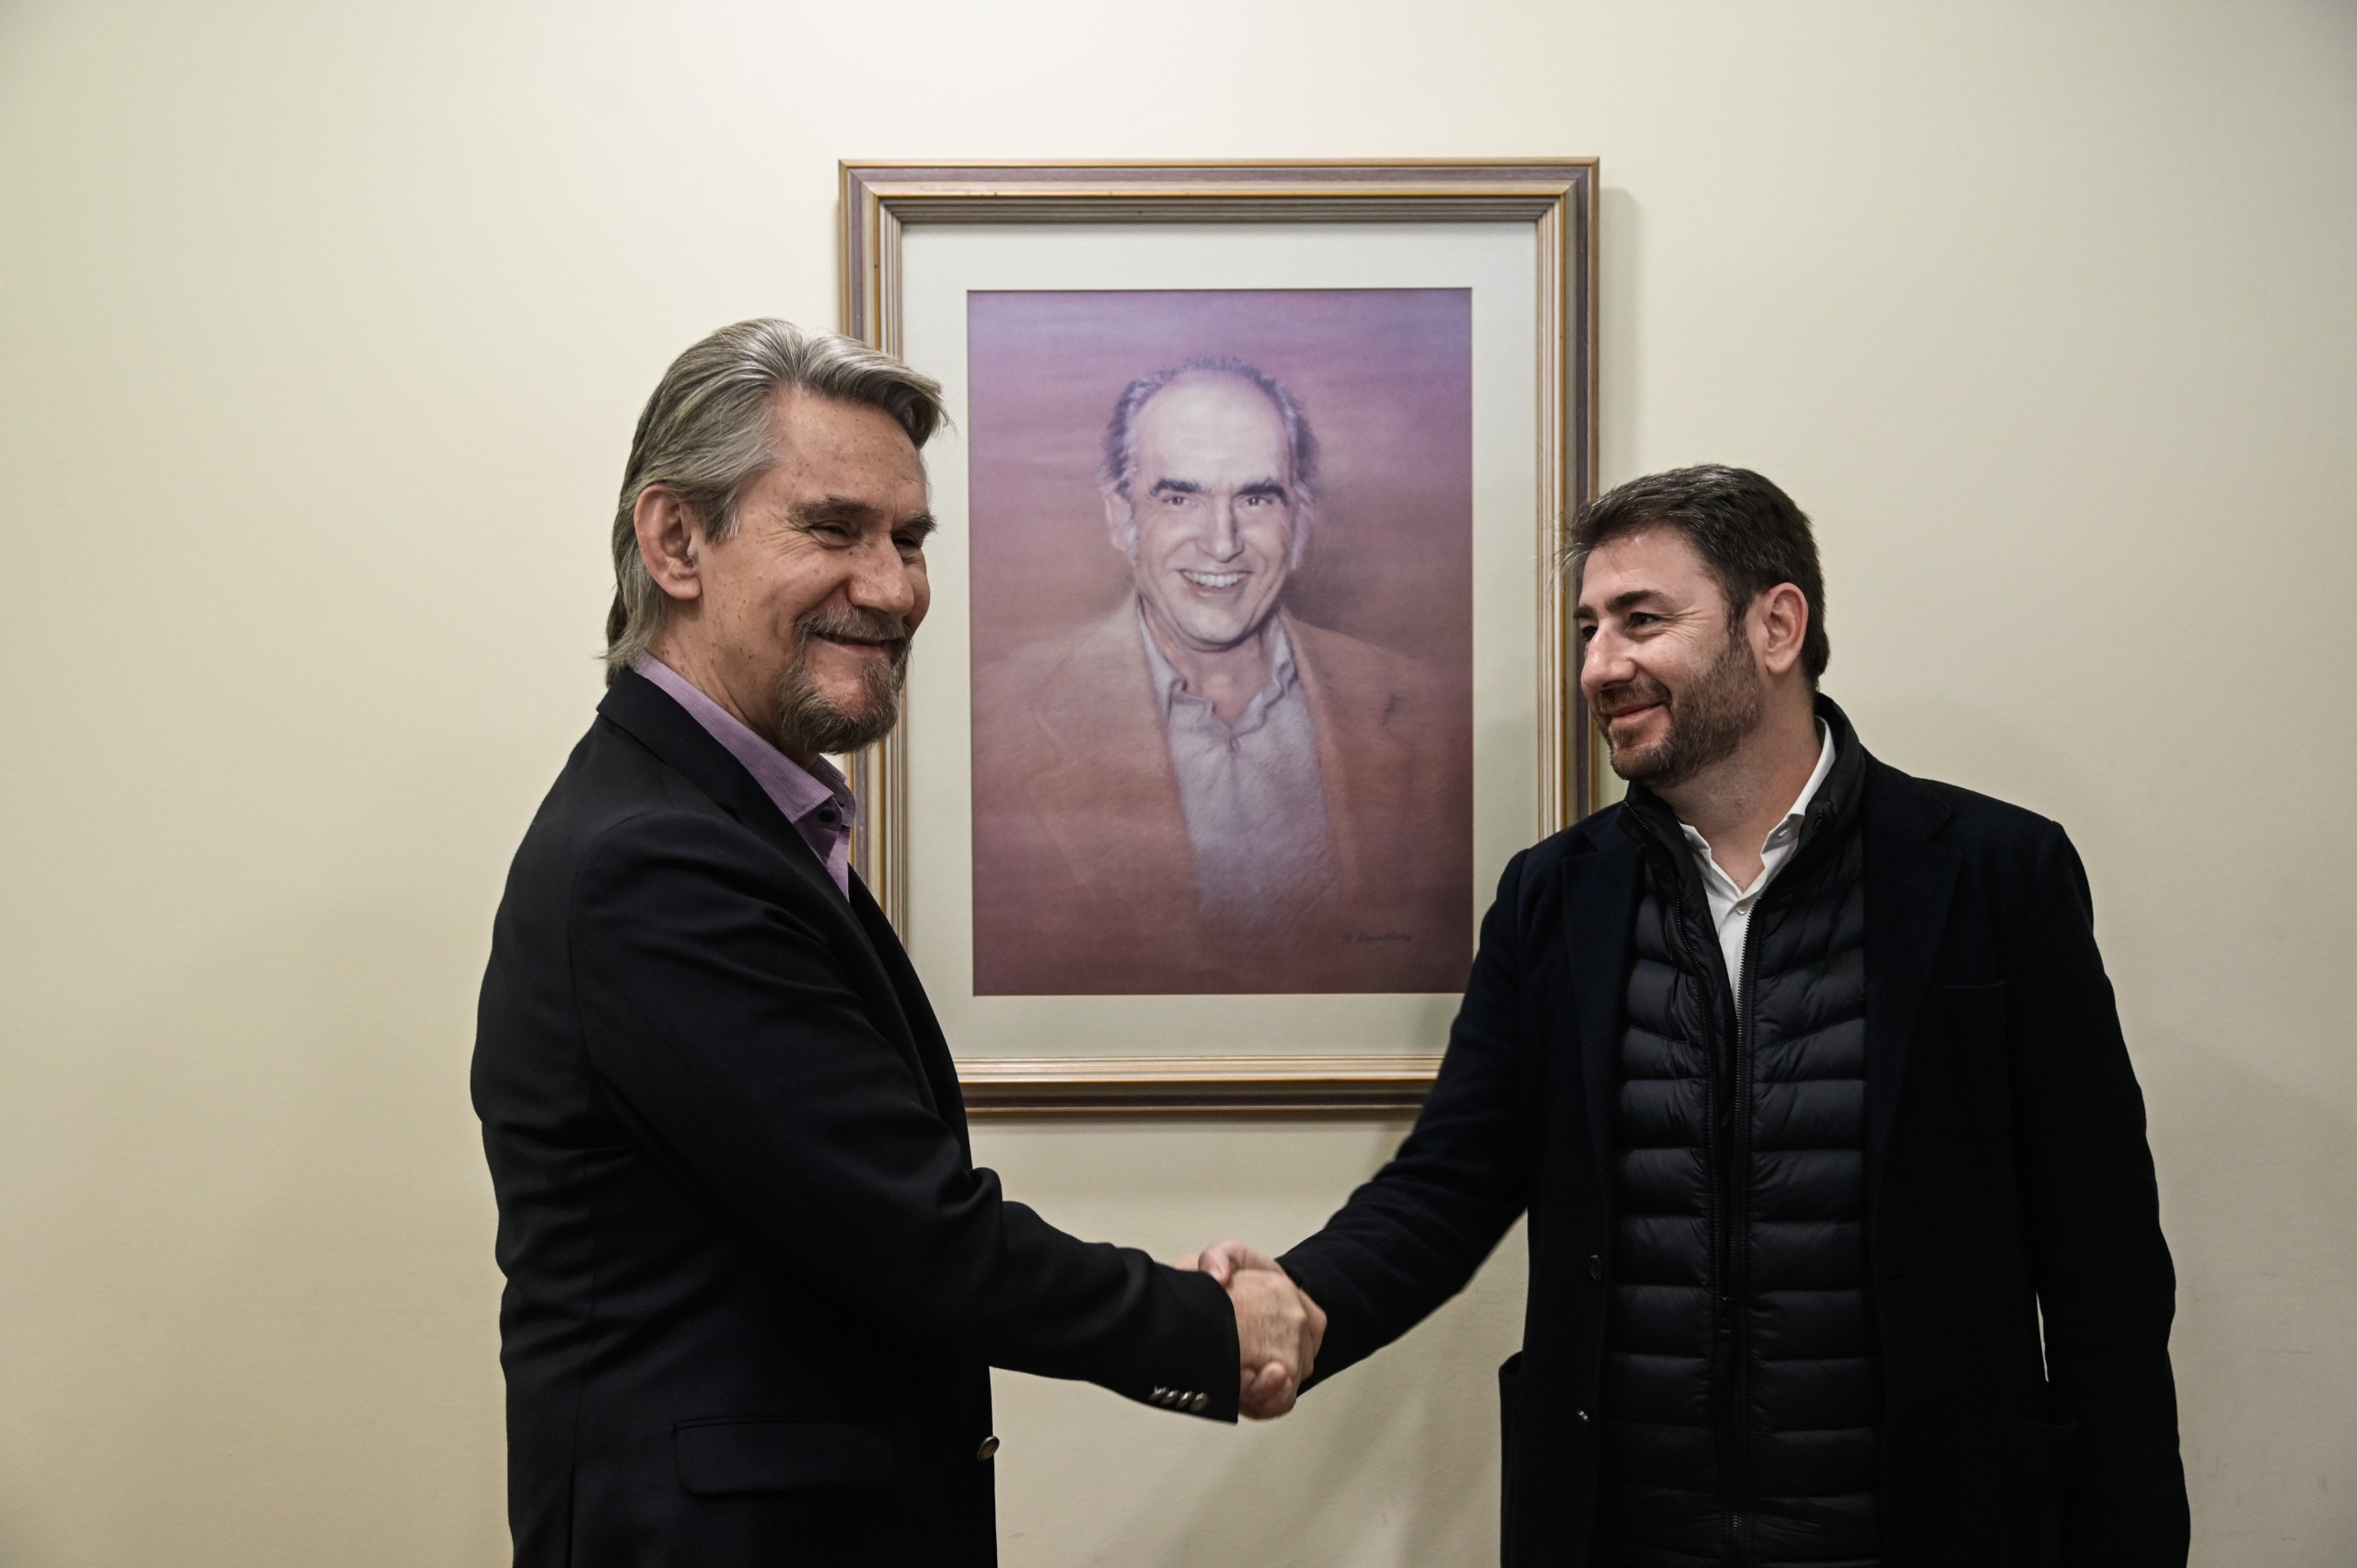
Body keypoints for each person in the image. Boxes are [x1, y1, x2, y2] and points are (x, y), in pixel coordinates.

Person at [1190, 465, 2188, 1566]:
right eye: (1588, 628)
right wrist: (1300, 1298)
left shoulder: (1994, 874)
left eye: (1641, 619)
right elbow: (1450, 1181)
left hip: (1920, 1529)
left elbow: (2103, 1260)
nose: (1598, 665)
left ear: (1776, 626)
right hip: (1627, 1534)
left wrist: (2128, 1537)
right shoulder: (1552, 897)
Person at [471, 319, 1323, 1568]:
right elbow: (917, 1235)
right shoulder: (652, 859)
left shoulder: (728, 821)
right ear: (675, 541)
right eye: (834, 529)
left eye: (909, 539)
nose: (893, 587)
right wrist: (1210, 1325)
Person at [970, 357, 1471, 995]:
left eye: (1256, 498)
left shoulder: (1424, 713)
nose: (1222, 541)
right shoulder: (998, 724)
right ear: (1120, 516)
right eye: (1180, 497)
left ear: (1302, 522)